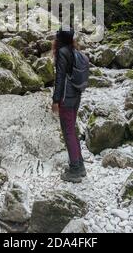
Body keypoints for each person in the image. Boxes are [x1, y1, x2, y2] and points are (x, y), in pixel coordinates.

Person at [52, 28, 87, 183]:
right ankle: (80, 165)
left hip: (66, 97)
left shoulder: (62, 53)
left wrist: (55, 100)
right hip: (76, 96)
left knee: (68, 132)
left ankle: (75, 170)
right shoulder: (75, 51)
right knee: (72, 130)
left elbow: (60, 78)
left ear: (59, 39)